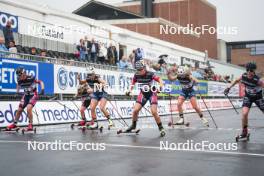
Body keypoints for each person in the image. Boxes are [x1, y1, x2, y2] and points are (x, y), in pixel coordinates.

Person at [224, 62, 264, 139]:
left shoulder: (258, 80)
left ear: (254, 71)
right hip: (248, 96)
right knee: (244, 113)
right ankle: (244, 132)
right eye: (247, 70)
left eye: (251, 70)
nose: (249, 72)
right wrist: (228, 88)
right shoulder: (244, 76)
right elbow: (236, 80)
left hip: (258, 97)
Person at [125, 61, 166, 137]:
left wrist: (160, 87)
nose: (140, 71)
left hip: (152, 93)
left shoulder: (150, 74)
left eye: (141, 70)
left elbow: (159, 80)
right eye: (138, 70)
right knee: (135, 110)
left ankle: (161, 128)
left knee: (154, 112)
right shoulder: (136, 75)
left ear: (144, 68)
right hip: (143, 93)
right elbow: (133, 83)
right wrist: (129, 90)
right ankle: (133, 126)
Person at [7, 67, 45, 131]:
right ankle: (14, 124)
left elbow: (41, 82)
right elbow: (18, 85)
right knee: (19, 110)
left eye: (20, 75)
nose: (19, 77)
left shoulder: (31, 77)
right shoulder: (19, 79)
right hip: (26, 95)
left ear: (24, 73)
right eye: (18, 75)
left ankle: (30, 124)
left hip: (33, 94)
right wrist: (17, 92)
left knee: (28, 108)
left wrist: (42, 89)